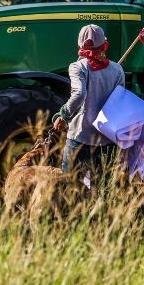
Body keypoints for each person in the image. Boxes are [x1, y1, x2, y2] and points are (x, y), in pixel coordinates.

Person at [53, 24, 125, 177]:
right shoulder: (117, 69)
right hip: (106, 140)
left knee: (72, 190)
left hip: (80, 139)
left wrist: (63, 114)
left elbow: (79, 94)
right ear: (104, 45)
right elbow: (120, 102)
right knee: (100, 192)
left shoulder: (78, 67)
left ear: (80, 45)